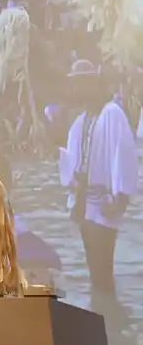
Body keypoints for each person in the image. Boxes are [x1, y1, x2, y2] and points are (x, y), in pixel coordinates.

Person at [59, 60, 138, 318]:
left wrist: (120, 199)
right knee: (94, 270)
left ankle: (111, 321)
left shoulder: (112, 113)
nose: (76, 89)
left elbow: (124, 156)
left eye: (82, 83)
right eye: (74, 83)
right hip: (85, 203)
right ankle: (103, 316)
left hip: (104, 203)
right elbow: (73, 162)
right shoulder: (81, 121)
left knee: (103, 271)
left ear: (93, 84)